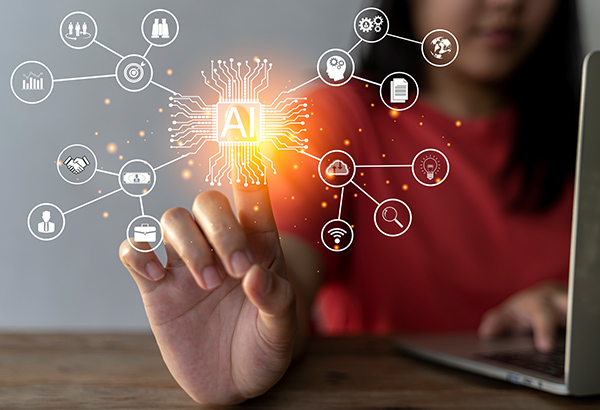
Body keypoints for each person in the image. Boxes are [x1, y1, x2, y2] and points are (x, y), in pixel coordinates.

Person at [118, 0, 581, 404]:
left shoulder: (585, 132)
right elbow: (290, 278)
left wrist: (580, 310)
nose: (507, 3)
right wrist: (257, 319)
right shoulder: (336, 121)